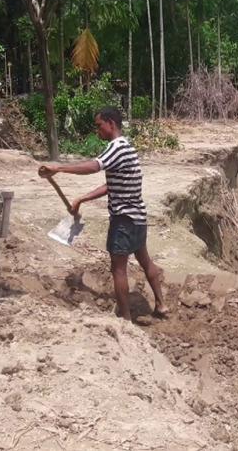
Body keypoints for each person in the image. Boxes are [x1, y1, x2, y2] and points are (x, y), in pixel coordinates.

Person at [38, 107, 168, 321]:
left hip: (123, 220)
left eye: (99, 126)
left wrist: (59, 168)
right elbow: (111, 185)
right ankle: (161, 305)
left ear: (110, 123)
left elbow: (93, 166)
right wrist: (81, 199)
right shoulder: (128, 148)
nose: (97, 131)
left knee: (118, 268)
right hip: (138, 218)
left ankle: (125, 318)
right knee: (145, 261)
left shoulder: (115, 147)